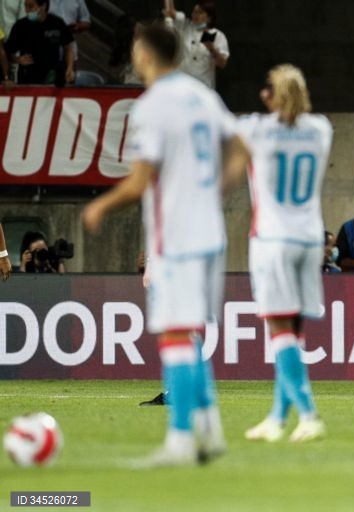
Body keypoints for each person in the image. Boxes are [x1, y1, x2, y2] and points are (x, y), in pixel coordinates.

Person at [82, 22, 251, 464]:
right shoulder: (202, 95)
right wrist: (216, 190)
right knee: (189, 329)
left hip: (175, 234)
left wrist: (100, 207)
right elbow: (240, 149)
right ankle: (209, 432)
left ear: (143, 54)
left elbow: (139, 181)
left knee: (176, 333)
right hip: (209, 232)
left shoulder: (152, 107)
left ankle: (179, 441)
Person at [241, 63, 330, 443]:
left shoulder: (258, 131)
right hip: (310, 239)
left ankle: (309, 415)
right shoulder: (321, 130)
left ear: (273, 94)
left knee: (278, 331)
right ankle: (277, 418)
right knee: (293, 332)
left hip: (273, 239)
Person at [4, 0, 74, 85]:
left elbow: (68, 48)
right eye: (25, 6)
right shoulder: (20, 26)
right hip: (28, 78)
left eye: (31, 6)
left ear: (43, 6)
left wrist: (70, 68)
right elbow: (8, 53)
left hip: (53, 78)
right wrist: (18, 59)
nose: (27, 10)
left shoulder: (57, 23)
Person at [163, 0, 229, 90]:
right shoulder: (184, 26)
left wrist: (212, 49)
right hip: (181, 85)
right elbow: (170, 12)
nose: (195, 15)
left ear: (209, 17)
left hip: (203, 87)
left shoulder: (217, 35)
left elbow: (222, 64)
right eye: (194, 12)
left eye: (200, 12)